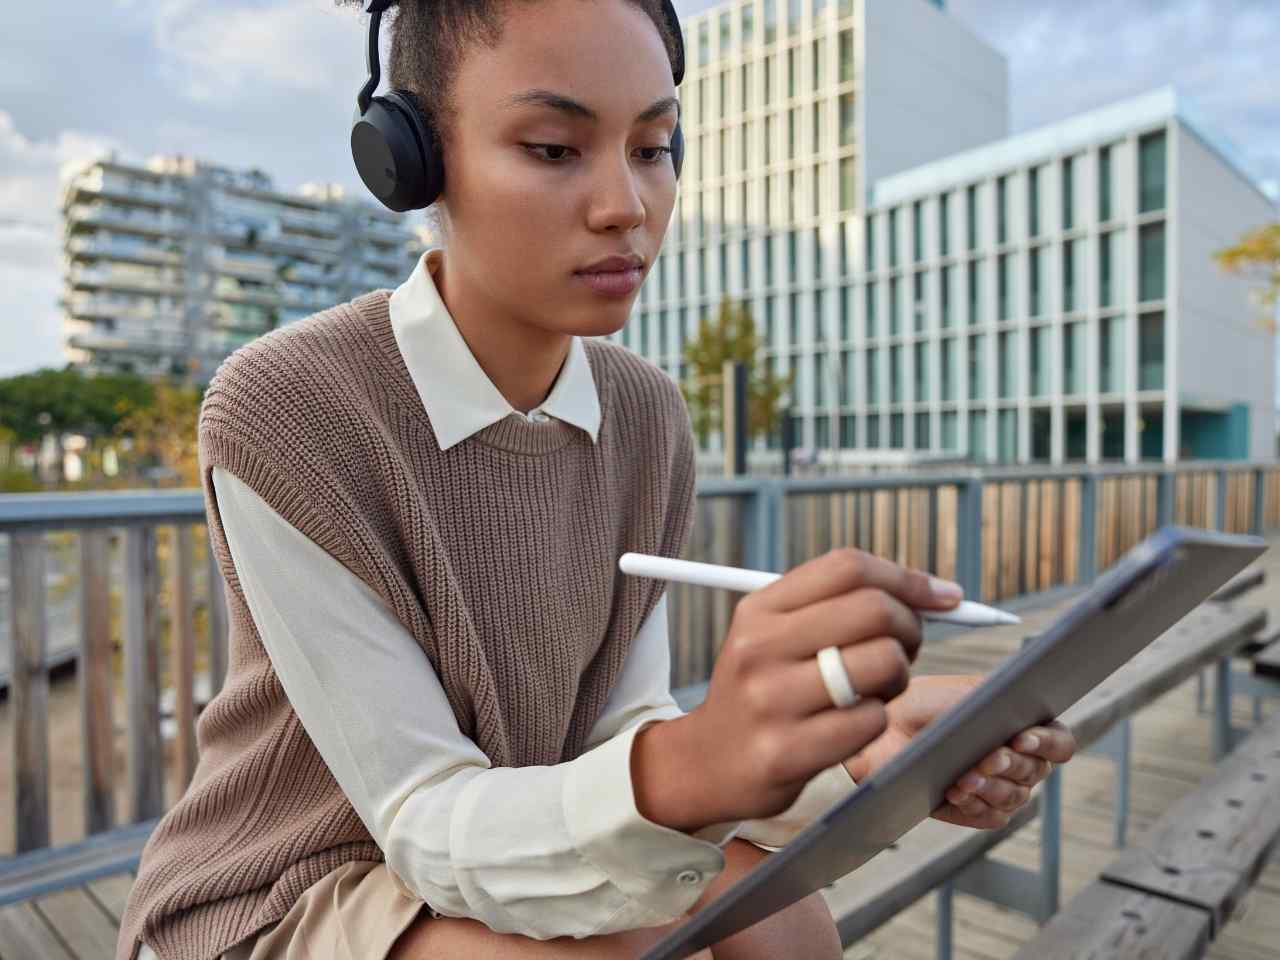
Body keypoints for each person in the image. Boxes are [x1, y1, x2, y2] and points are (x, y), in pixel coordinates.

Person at [117, 0, 1076, 957]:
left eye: (654, 147)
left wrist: (852, 750)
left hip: (521, 836)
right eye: (551, 148)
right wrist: (704, 760)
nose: (626, 204)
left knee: (782, 921)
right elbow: (421, 815)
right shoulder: (290, 405)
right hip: (301, 881)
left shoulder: (646, 413)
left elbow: (629, 729)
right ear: (411, 161)